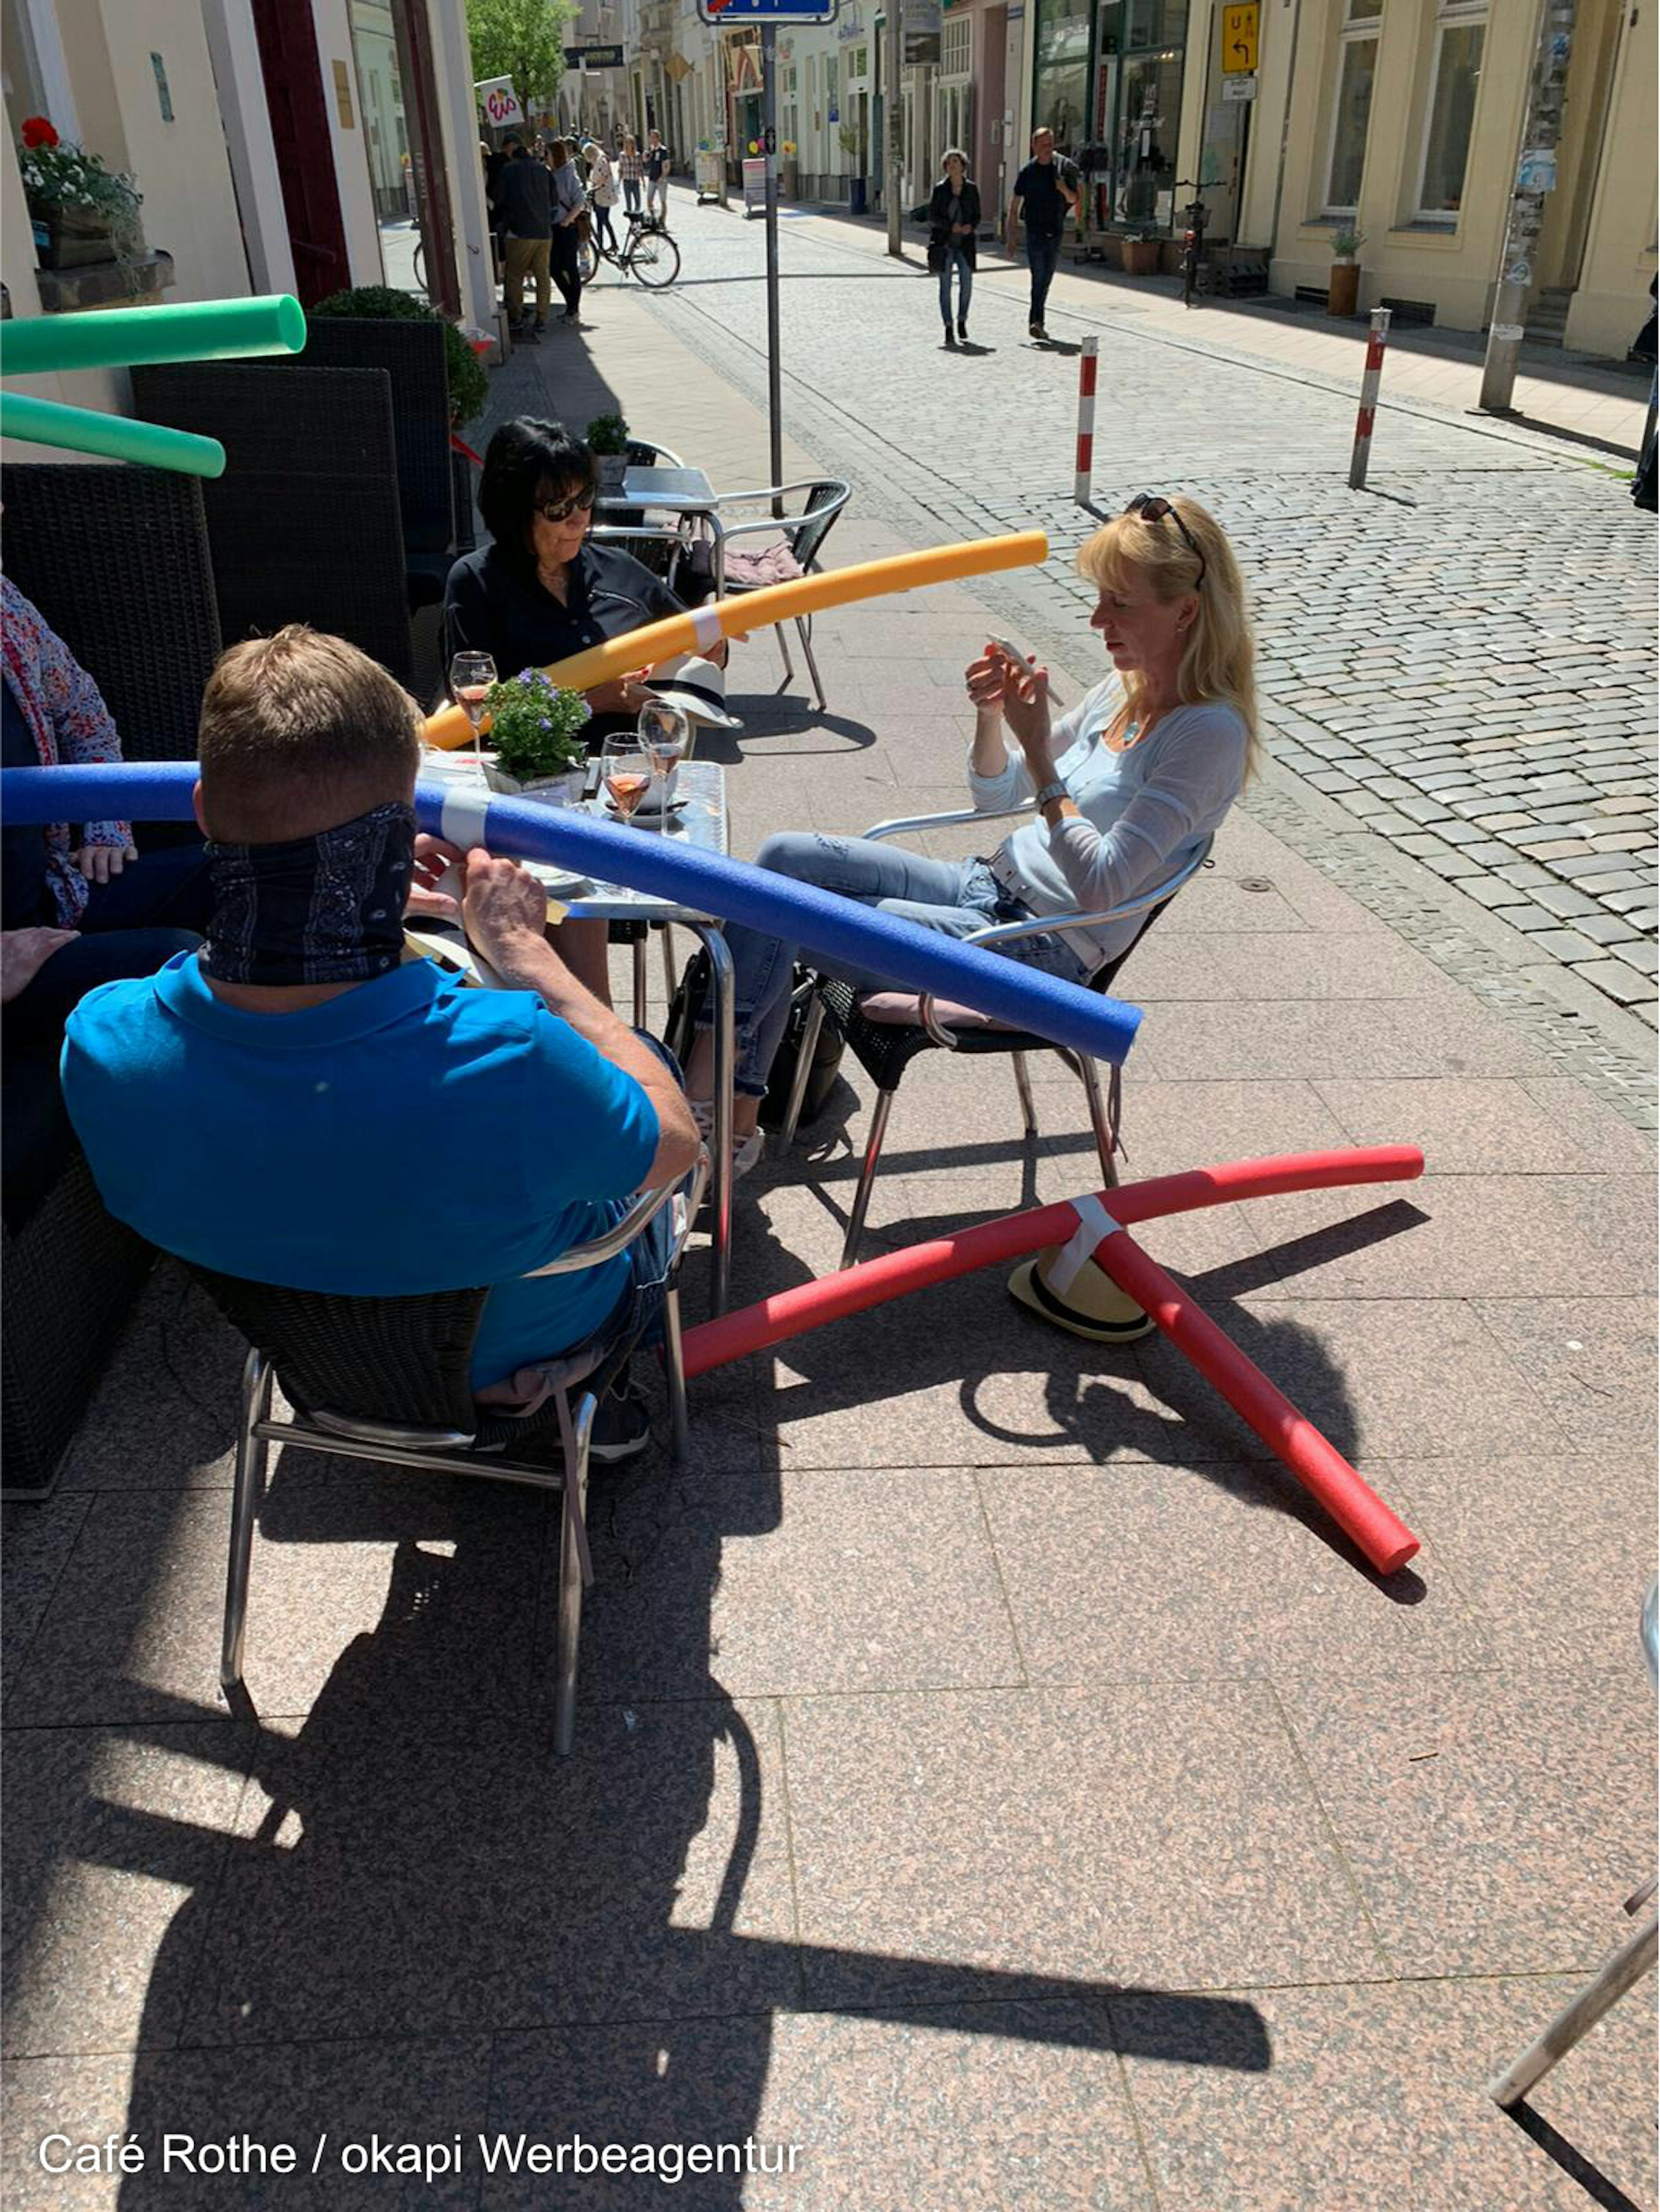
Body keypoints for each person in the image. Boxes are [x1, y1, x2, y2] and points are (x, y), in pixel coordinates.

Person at [61, 626, 701, 1457]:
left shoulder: (104, 1044)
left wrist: (368, 908)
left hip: (312, 1364)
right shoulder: (508, 1057)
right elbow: (677, 1144)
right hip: (534, 1341)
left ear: (202, 810)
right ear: (398, 830)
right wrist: (521, 951)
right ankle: (576, 1396)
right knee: (649, 1060)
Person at [681, 496, 1255, 1183]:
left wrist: (1040, 749)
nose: (1099, 620)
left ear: (1185, 611)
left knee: (781, 911)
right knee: (782, 857)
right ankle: (725, 1108)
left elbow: (1104, 883)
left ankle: (722, 1115)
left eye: (1121, 605)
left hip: (1040, 948)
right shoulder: (1122, 688)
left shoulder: (1207, 734)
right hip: (987, 885)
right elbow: (996, 793)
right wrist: (996, 718)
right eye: (1101, 599)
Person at [2, 574, 211, 1036]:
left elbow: (86, 718)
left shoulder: (7, 605)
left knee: (237, 871)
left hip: (57, 893)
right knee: (178, 962)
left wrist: (106, 820)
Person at [443, 418, 728, 750]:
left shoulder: (620, 569)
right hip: (529, 778)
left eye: (585, 498)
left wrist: (710, 651)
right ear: (512, 511)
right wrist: (592, 702)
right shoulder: (476, 583)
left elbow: (692, 641)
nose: (579, 517)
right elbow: (480, 717)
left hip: (634, 766)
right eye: (558, 508)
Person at [1007, 127, 1078, 342]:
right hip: (1034, 232)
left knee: (1046, 278)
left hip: (1055, 231)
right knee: (1038, 277)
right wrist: (1011, 238)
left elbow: (1074, 199)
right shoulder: (1027, 172)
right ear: (1034, 147)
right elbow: (1014, 205)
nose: (1047, 148)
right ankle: (1035, 322)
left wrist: (1063, 188)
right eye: (1043, 144)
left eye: (1050, 144)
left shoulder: (1061, 171)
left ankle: (1038, 322)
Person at [490, 134, 553, 340]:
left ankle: (516, 316)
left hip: (518, 232)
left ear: (511, 150)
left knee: (515, 275)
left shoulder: (509, 170)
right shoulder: (543, 170)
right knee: (542, 276)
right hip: (544, 232)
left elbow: (499, 199)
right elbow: (555, 199)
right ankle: (542, 318)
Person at [929, 148, 981, 350]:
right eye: (949, 163)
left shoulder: (971, 189)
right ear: (946, 167)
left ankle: (962, 320)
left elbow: (977, 214)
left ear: (963, 166)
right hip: (945, 244)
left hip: (965, 245)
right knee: (945, 287)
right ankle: (948, 327)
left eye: (956, 162)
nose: (953, 166)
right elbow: (933, 217)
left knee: (967, 283)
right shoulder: (940, 189)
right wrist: (950, 227)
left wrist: (971, 226)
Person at [544, 138, 588, 324]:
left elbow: (580, 201)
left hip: (567, 228)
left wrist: (567, 220)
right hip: (554, 227)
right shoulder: (550, 174)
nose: (544, 158)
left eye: (547, 154)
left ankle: (574, 310)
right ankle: (570, 305)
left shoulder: (568, 174)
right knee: (554, 268)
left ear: (555, 155)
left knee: (570, 267)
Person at [584, 138, 619, 255]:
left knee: (602, 220)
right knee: (603, 221)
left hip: (603, 195)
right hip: (602, 194)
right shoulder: (600, 159)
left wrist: (594, 187)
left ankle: (603, 245)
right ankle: (607, 244)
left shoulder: (601, 160)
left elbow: (604, 176)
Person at [643, 129, 671, 224]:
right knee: (649, 200)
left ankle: (663, 221)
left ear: (658, 138)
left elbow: (667, 165)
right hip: (652, 178)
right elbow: (645, 161)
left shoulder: (663, 150)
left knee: (663, 201)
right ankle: (654, 220)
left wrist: (663, 177)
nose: (652, 139)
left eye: (654, 137)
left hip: (661, 179)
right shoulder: (650, 150)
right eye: (651, 137)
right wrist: (646, 156)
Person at [618, 133, 644, 217]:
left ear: (633, 144)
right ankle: (631, 222)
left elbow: (640, 169)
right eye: (628, 143)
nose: (629, 145)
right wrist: (619, 182)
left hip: (635, 181)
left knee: (638, 203)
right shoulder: (622, 155)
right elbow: (621, 169)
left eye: (631, 143)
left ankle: (636, 220)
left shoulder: (637, 155)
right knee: (628, 204)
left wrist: (643, 182)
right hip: (627, 181)